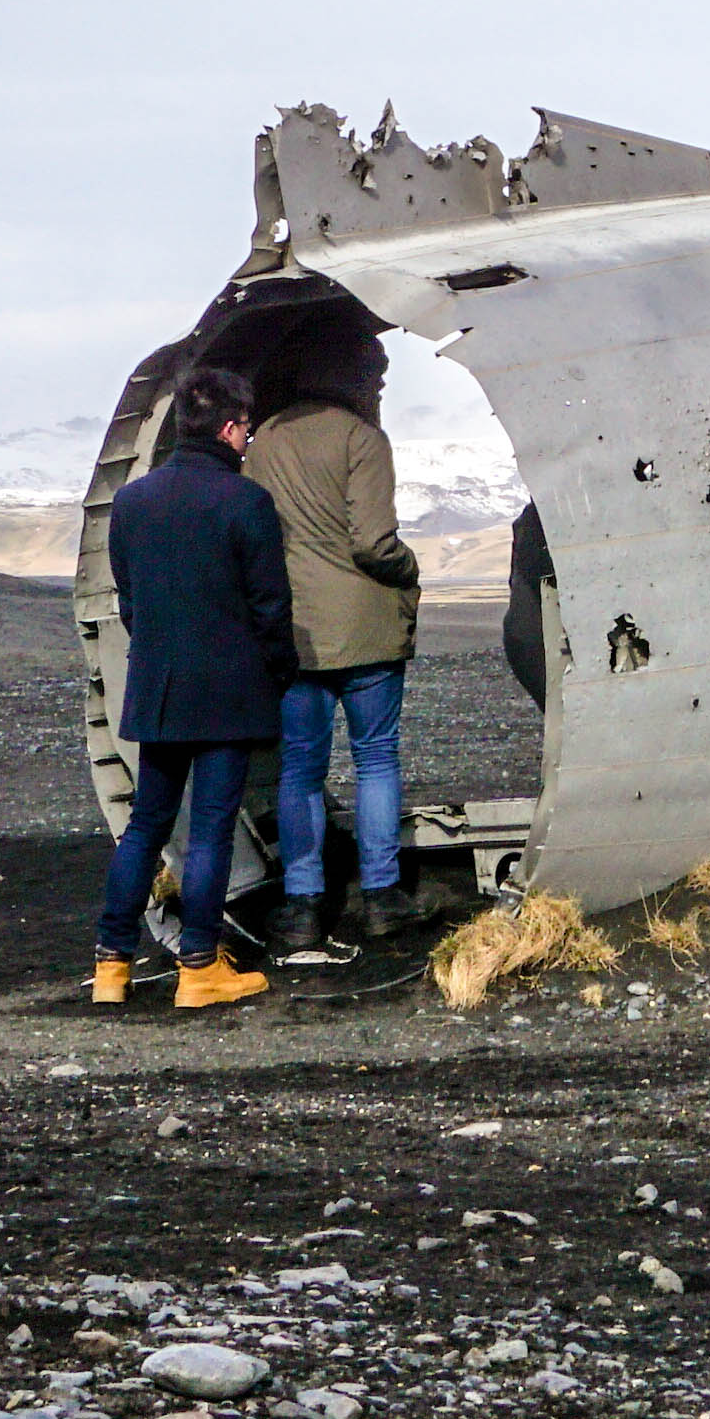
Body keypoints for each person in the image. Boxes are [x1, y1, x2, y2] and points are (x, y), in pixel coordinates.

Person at [95, 375, 297, 1012]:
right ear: (232, 428)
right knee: (209, 832)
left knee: (146, 830)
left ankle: (111, 967)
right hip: (228, 692)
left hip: (158, 688)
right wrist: (277, 673)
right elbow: (271, 608)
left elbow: (129, 603)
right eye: (247, 430)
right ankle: (200, 968)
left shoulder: (132, 502)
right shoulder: (246, 503)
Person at [240, 326, 430, 968]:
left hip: (297, 631)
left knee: (300, 770)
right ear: (349, 374)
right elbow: (373, 542)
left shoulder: (264, 439)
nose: (378, 386)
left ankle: (302, 903)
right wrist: (410, 569)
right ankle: (380, 896)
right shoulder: (362, 438)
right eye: (374, 375)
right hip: (368, 628)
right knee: (376, 757)